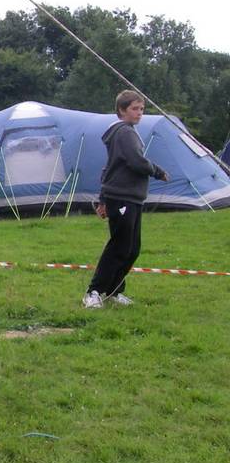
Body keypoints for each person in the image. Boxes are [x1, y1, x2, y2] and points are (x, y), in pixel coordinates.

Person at [83, 90, 169, 309]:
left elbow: (110, 168)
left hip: (131, 198)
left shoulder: (127, 132)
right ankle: (93, 292)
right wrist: (157, 171)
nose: (139, 113)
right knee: (119, 246)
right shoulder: (124, 132)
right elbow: (135, 161)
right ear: (122, 110)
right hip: (121, 197)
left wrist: (102, 200)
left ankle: (113, 291)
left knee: (132, 248)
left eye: (141, 109)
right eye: (134, 109)